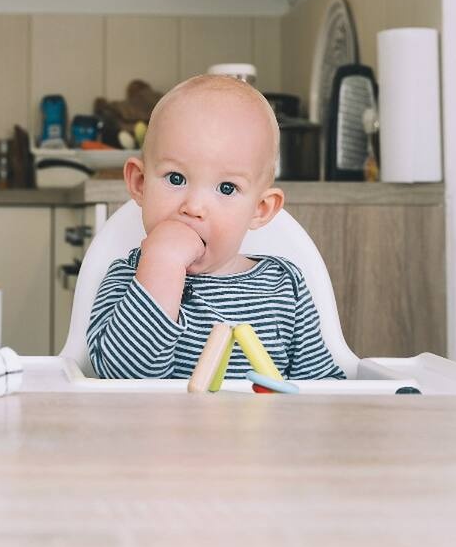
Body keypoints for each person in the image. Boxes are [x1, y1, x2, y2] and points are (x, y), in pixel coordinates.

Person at [87, 75, 344, 380]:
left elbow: (322, 387)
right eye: (176, 179)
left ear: (260, 209)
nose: (194, 207)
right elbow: (123, 377)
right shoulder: (128, 278)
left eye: (226, 188)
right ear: (140, 183)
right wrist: (162, 264)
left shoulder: (285, 287)